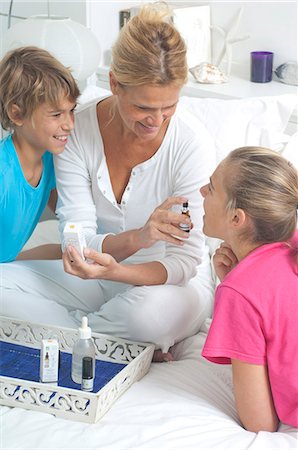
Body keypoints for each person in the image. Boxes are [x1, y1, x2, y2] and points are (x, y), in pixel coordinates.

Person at [1, 4, 216, 361]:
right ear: (114, 83)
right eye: (144, 107)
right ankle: (112, 345)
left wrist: (124, 269)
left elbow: (185, 261)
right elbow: (76, 234)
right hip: (92, 276)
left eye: (169, 106)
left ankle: (79, 337)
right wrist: (135, 239)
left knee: (144, 318)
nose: (157, 120)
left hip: (166, 286)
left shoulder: (190, 144)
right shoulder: (77, 128)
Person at [200, 146, 298, 431]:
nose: (201, 191)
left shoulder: (241, 292)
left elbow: (260, 423)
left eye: (212, 188)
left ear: (236, 218)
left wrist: (236, 291)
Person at [0, 46, 80, 263]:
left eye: (71, 110)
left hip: (8, 262)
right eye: (56, 114)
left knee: (74, 252)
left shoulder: (52, 160)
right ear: (16, 114)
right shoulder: (3, 174)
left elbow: (69, 213)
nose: (69, 125)